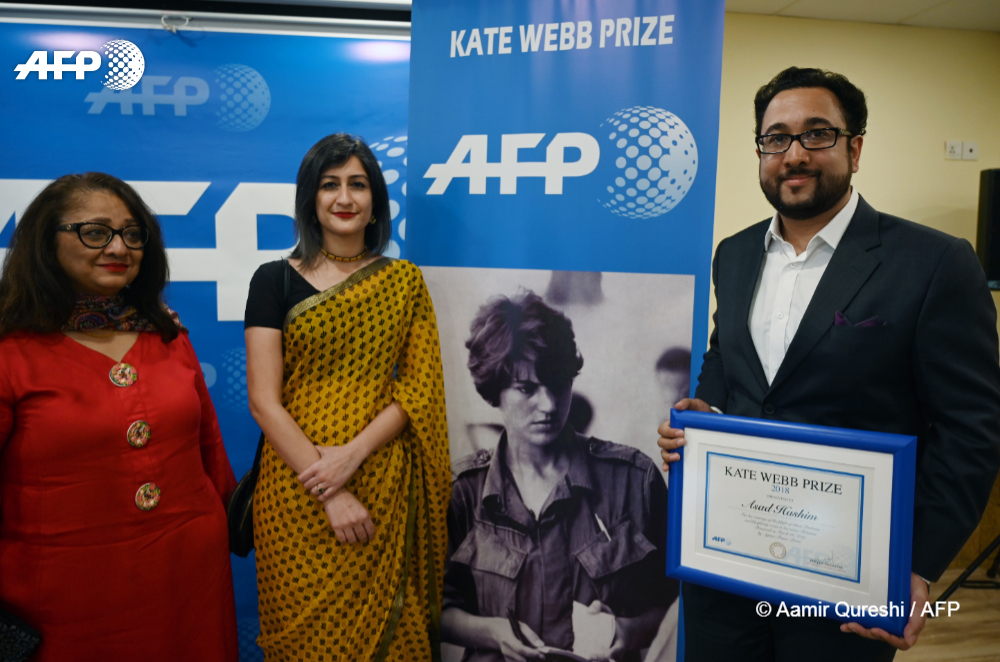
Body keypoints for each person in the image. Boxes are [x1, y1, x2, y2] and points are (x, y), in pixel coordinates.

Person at [657, 67, 1000, 661]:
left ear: (855, 149)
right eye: (776, 138)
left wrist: (916, 566)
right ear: (761, 152)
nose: (794, 154)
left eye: (817, 134)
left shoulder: (934, 262)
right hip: (726, 562)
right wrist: (704, 411)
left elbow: (971, 430)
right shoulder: (734, 254)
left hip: (847, 579)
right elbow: (727, 354)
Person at [0, 173, 238, 661]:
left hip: (190, 581)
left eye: (132, 234)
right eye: (95, 232)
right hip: (62, 599)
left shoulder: (167, 336)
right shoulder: (11, 350)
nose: (118, 248)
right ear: (46, 241)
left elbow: (210, 450)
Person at [244, 133, 450, 661]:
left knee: (393, 636)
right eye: (329, 185)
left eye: (357, 185)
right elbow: (264, 401)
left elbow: (418, 389)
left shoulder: (403, 281)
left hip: (381, 480)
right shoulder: (273, 280)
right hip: (296, 490)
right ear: (310, 199)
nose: (344, 197)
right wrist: (330, 489)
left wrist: (353, 455)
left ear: (375, 200)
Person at [443, 291, 677, 662]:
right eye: (526, 388)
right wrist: (492, 632)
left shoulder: (635, 481)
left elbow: (679, 602)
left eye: (558, 383)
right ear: (494, 391)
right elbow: (434, 607)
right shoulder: (462, 491)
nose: (549, 405)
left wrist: (630, 630)